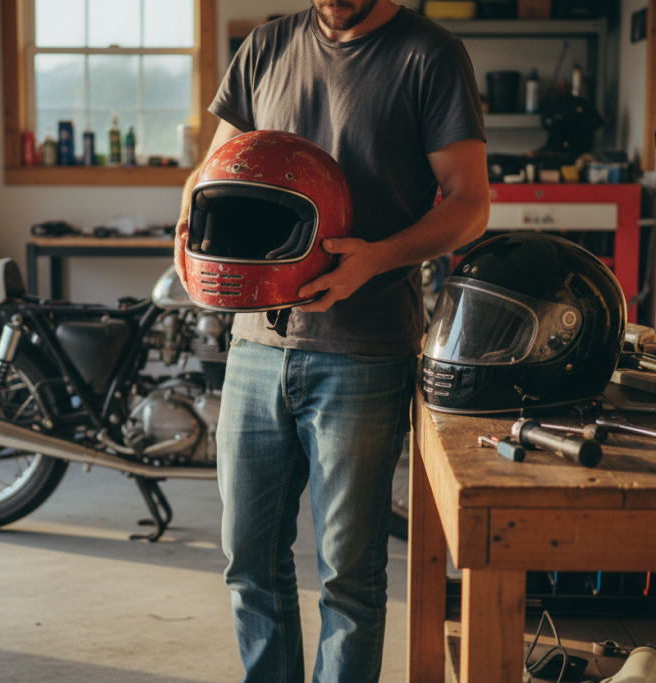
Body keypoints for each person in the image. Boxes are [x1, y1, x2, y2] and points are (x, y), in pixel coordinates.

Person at [174, 1, 490, 680]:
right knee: (247, 560)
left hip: (363, 348)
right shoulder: (265, 48)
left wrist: (374, 259)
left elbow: (470, 203)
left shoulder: (429, 55)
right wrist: (187, 224)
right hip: (256, 343)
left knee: (348, 575)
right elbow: (216, 167)